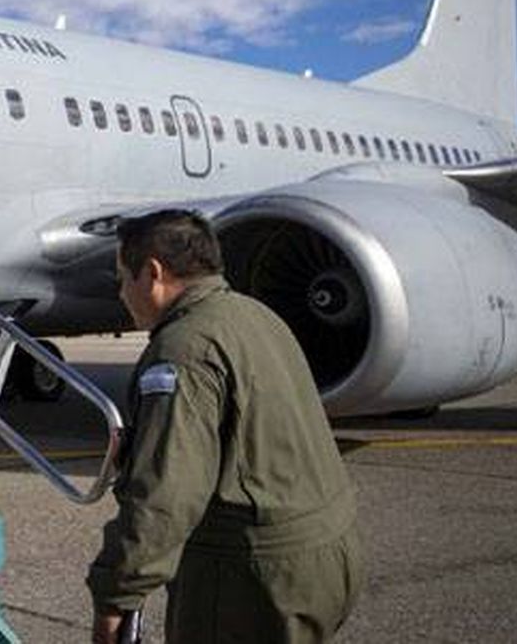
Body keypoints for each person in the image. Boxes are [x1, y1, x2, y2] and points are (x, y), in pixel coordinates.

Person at [88, 210, 361, 644]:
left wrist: (117, 597)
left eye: (124, 278)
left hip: (253, 580)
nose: (122, 294)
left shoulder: (183, 350)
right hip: (325, 554)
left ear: (154, 273)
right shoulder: (256, 316)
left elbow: (165, 494)